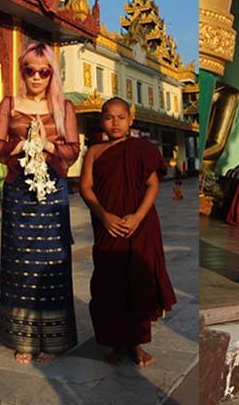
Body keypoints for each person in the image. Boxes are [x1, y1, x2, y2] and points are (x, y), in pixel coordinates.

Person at [0, 42, 80, 365]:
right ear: (22, 71)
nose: (37, 76)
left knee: (52, 266)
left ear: (52, 72)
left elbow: (73, 150)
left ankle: (53, 341)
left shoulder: (64, 107)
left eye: (44, 71)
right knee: (19, 266)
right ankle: (24, 339)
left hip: (52, 193)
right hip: (19, 193)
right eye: (30, 70)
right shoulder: (10, 104)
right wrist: (24, 144)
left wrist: (48, 147)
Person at [80, 97, 176, 367]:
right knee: (109, 283)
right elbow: (86, 188)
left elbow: (152, 185)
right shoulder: (95, 152)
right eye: (109, 117)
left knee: (138, 282)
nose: (116, 123)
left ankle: (135, 344)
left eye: (121, 117)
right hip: (107, 225)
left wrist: (137, 217)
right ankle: (116, 343)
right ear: (102, 121)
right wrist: (105, 216)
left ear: (131, 120)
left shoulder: (141, 148)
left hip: (140, 224)